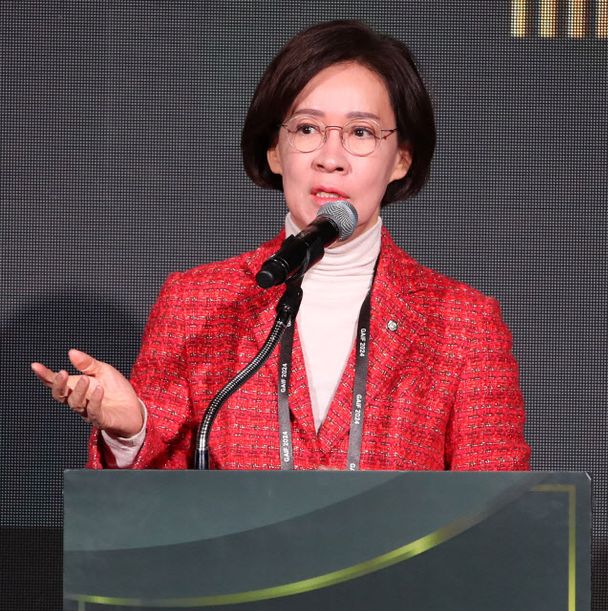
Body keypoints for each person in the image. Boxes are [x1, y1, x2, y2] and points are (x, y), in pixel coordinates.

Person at [31, 20, 530, 471]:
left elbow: (498, 513)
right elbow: (154, 511)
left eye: (360, 132)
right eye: (308, 128)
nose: (330, 157)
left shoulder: (462, 325)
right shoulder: (197, 303)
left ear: (401, 158)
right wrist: (131, 433)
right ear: (275, 150)